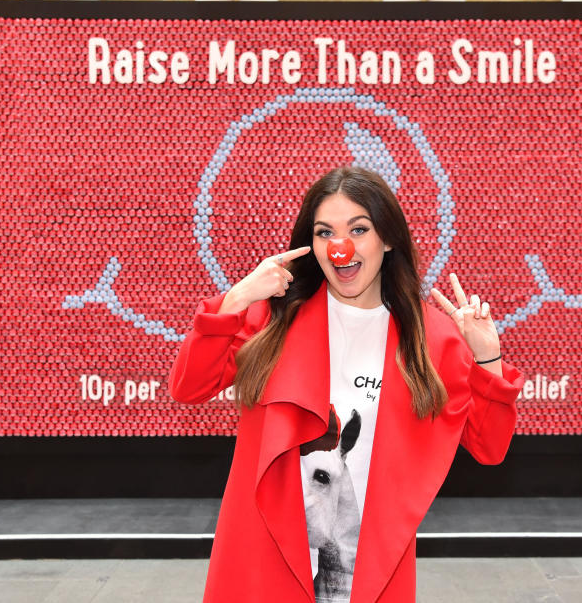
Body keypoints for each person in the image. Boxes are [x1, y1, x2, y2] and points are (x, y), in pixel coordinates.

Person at [169, 165, 524, 602]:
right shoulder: (273, 318)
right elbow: (188, 386)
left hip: (369, 568)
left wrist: (487, 357)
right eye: (325, 232)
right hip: (266, 557)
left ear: (387, 239)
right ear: (311, 243)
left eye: (359, 228)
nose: (341, 247)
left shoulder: (430, 336)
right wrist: (236, 299)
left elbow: (488, 447)